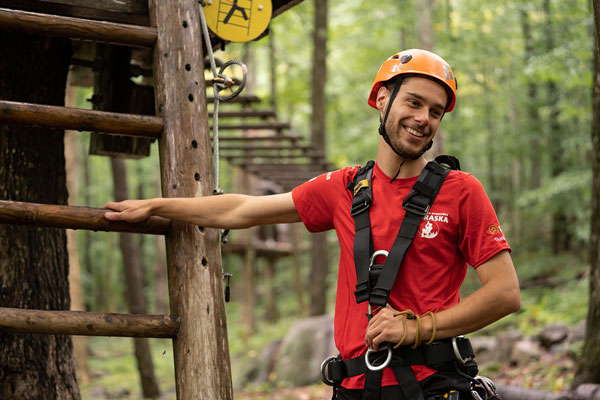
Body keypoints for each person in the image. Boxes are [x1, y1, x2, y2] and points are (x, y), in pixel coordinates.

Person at [104, 49, 520, 400]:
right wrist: (159, 206)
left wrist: (417, 328)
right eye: (413, 102)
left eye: (435, 111)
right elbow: (242, 211)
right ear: (381, 101)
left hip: (434, 385)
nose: (424, 118)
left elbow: (504, 293)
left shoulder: (461, 191)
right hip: (355, 387)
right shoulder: (345, 188)